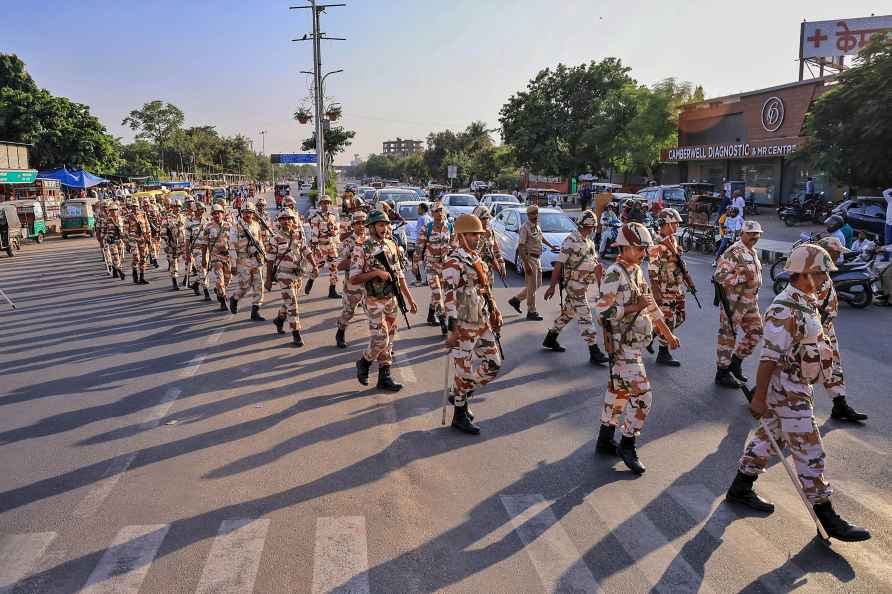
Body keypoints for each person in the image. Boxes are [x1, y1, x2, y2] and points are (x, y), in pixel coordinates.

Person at [725, 244, 870, 542]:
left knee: (768, 439)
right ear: (802, 272)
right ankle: (826, 515)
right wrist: (760, 396)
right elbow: (768, 358)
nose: (824, 279)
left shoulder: (806, 301)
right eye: (819, 273)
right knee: (810, 450)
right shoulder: (784, 307)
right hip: (787, 390)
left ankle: (740, 487)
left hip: (796, 386)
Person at [594, 222, 680, 474]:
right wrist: (633, 307)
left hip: (633, 343)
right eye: (639, 247)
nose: (643, 252)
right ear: (625, 247)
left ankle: (605, 440)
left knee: (618, 393)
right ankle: (627, 443)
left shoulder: (635, 271)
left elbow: (650, 305)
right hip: (621, 347)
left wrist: (668, 334)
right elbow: (601, 312)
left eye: (644, 248)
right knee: (643, 396)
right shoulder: (614, 273)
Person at [443, 214, 503, 434]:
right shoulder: (454, 262)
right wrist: (452, 331)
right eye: (472, 234)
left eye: (478, 235)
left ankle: (460, 395)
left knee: (494, 364)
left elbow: (486, 288)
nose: (476, 238)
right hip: (463, 323)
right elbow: (448, 297)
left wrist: (495, 310)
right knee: (463, 371)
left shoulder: (476, 258)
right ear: (461, 235)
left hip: (481, 320)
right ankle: (459, 415)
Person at [351, 209, 419, 391]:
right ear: (372, 227)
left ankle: (384, 376)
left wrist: (409, 299)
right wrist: (376, 273)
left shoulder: (391, 244)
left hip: (391, 299)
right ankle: (364, 362)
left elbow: (399, 275)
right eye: (381, 224)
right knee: (381, 339)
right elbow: (354, 278)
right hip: (373, 301)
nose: (385, 228)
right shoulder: (362, 247)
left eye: (387, 224)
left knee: (390, 338)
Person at [542, 210, 609, 365]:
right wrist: (551, 286)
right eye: (591, 227)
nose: (592, 230)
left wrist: (600, 281)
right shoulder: (570, 240)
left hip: (584, 284)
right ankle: (594, 352)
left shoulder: (589, 242)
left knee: (568, 314)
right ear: (587, 226)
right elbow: (559, 264)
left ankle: (550, 339)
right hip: (574, 286)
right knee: (585, 316)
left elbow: (594, 265)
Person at [714, 220, 763, 388]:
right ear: (742, 233)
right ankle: (722, 372)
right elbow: (719, 276)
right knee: (728, 336)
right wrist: (742, 278)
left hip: (750, 302)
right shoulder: (734, 252)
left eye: (757, 234)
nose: (754, 237)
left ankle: (735, 362)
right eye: (750, 234)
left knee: (756, 332)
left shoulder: (752, 251)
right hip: (734, 303)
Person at [265, 208, 317, 347]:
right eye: (283, 219)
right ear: (279, 221)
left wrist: (314, 265)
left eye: (289, 218)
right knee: (293, 304)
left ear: (293, 221)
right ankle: (296, 333)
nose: (286, 221)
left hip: (297, 274)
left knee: (289, 301)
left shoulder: (298, 235)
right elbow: (270, 260)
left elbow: (306, 250)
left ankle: (279, 319)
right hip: (283, 274)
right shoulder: (275, 238)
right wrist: (268, 279)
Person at [647, 208, 691, 367]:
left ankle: (652, 333)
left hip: (676, 287)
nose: (677, 226)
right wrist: (656, 291)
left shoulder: (672, 240)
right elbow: (652, 270)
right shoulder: (657, 243)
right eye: (674, 223)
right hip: (665, 289)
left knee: (680, 318)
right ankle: (663, 353)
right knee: (669, 320)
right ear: (664, 224)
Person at [508, 205, 558, 320]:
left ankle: (516, 300)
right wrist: (526, 264)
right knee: (532, 286)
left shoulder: (536, 226)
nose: (535, 216)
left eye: (536, 214)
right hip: (530, 259)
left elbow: (541, 238)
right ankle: (531, 311)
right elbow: (520, 247)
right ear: (528, 215)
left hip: (537, 258)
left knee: (537, 284)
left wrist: (551, 246)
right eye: (532, 214)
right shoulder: (525, 228)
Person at [413, 203, 455, 333]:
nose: (439, 213)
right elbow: (419, 246)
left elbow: (454, 245)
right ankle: (443, 321)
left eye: (441, 210)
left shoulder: (449, 226)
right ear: (432, 213)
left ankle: (431, 316)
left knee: (438, 293)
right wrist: (415, 264)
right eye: (436, 211)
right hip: (431, 265)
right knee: (437, 293)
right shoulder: (428, 227)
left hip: (444, 265)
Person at [335, 211, 369, 348]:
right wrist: (358, 260)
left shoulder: (370, 239)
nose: (361, 226)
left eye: (363, 223)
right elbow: (340, 265)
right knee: (349, 311)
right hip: (353, 282)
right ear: (353, 225)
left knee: (374, 310)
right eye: (358, 223)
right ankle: (340, 332)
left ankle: (381, 342)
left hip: (369, 281)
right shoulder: (348, 242)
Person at [228, 202, 266, 320]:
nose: (248, 214)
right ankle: (234, 298)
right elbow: (232, 246)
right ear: (242, 213)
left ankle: (255, 311)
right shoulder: (236, 226)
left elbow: (260, 242)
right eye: (246, 212)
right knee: (245, 286)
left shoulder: (256, 225)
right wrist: (233, 264)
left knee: (259, 285)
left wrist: (263, 255)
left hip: (256, 259)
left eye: (250, 212)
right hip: (242, 259)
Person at [307, 194, 341, 299]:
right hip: (320, 246)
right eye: (324, 203)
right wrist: (316, 248)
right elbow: (314, 234)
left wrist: (333, 232)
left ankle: (332, 290)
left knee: (334, 268)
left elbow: (336, 230)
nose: (326, 205)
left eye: (328, 203)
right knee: (318, 268)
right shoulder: (316, 218)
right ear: (320, 204)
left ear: (330, 204)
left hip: (331, 245)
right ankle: (311, 280)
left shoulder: (333, 216)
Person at [124, 197, 151, 285]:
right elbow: (125, 231)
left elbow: (147, 227)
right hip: (133, 238)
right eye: (133, 206)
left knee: (143, 257)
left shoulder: (143, 214)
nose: (135, 208)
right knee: (136, 257)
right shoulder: (128, 217)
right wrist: (126, 243)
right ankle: (134, 273)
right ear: (131, 207)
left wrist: (149, 238)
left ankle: (142, 277)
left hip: (142, 238)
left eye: (136, 206)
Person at [162, 200, 188, 291]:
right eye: (175, 206)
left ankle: (186, 278)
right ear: (172, 207)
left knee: (188, 261)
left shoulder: (183, 217)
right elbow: (163, 232)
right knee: (173, 263)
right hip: (172, 244)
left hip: (183, 244)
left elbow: (187, 229)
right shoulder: (167, 218)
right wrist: (168, 241)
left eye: (178, 206)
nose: (177, 208)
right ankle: (174, 282)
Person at [103, 202, 127, 280]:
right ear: (109, 211)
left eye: (115, 210)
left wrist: (126, 239)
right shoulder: (107, 220)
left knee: (119, 257)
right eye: (112, 210)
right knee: (115, 256)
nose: (114, 211)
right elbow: (103, 231)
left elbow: (124, 229)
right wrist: (105, 238)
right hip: (112, 240)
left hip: (120, 240)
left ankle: (114, 271)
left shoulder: (121, 219)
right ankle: (120, 272)